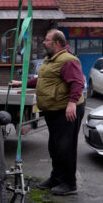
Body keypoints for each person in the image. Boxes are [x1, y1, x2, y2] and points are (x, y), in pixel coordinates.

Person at [10, 29, 85, 195]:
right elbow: (42, 80)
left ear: (56, 43)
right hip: (54, 110)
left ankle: (69, 184)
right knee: (55, 147)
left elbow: (78, 82)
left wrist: (72, 103)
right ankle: (56, 178)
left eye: (46, 40)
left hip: (66, 111)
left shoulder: (67, 60)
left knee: (66, 148)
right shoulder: (51, 60)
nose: (44, 43)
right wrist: (21, 83)